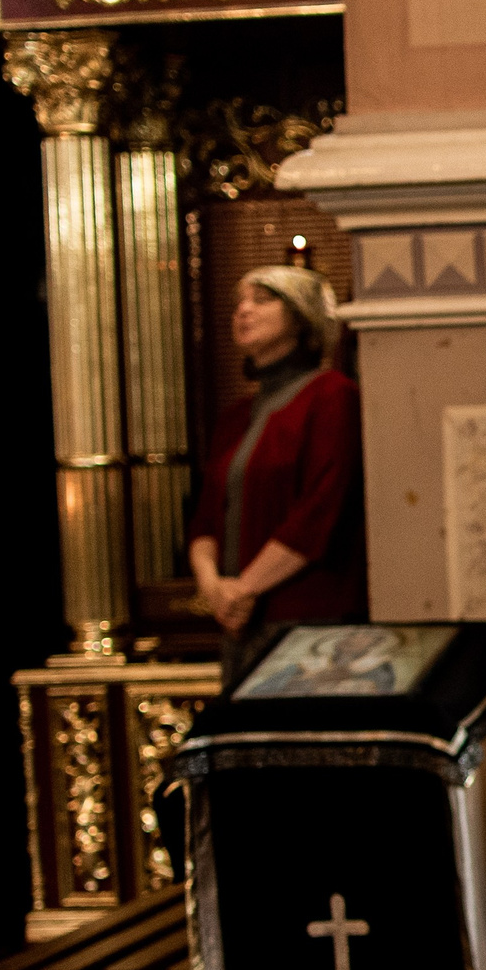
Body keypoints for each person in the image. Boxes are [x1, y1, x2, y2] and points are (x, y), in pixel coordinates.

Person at [189, 256, 365, 687]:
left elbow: (320, 509)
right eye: (239, 303)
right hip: (239, 622)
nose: (243, 310)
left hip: (308, 622)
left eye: (262, 300)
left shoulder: (332, 396)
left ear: (302, 316)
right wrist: (215, 588)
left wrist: (245, 588)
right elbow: (206, 518)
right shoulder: (235, 417)